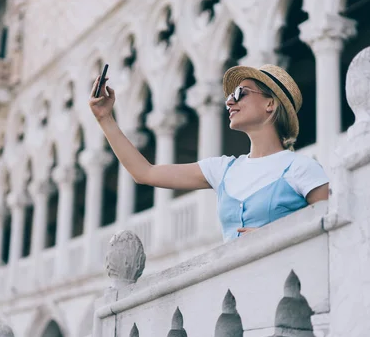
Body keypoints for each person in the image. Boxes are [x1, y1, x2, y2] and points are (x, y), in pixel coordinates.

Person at [88, 64, 329, 242]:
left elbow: (331, 228)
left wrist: (276, 236)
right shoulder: (223, 170)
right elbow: (144, 172)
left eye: (240, 93)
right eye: (229, 96)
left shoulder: (301, 168)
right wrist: (105, 118)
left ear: (270, 104)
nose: (229, 102)